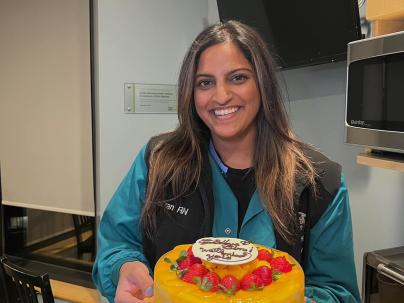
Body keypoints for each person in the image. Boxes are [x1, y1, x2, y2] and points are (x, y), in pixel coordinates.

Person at [93, 20, 360, 303]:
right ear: (191, 93)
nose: (221, 96)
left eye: (238, 78)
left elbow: (338, 293)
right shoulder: (157, 161)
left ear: (262, 84)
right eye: (205, 83)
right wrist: (124, 268)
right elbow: (117, 244)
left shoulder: (320, 183)